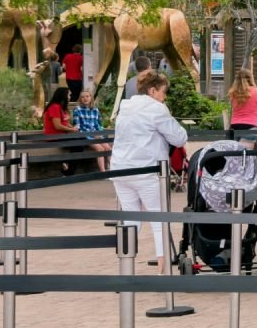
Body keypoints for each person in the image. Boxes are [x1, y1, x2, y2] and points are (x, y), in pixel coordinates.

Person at [112, 69, 188, 268]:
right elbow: (179, 138)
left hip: (120, 168)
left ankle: (125, 269)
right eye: (164, 92)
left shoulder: (125, 106)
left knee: (130, 218)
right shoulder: (156, 109)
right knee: (158, 218)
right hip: (146, 169)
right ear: (153, 91)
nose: (164, 97)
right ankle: (163, 272)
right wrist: (168, 114)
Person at [72, 88, 109, 171]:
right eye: (83, 97)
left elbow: (99, 125)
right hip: (85, 135)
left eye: (87, 96)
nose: (85, 98)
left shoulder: (95, 110)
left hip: (96, 134)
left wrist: (99, 133)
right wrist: (92, 135)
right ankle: (103, 172)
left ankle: (110, 169)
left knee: (108, 148)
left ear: (91, 98)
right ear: (80, 99)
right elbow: (77, 126)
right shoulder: (77, 109)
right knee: (100, 148)